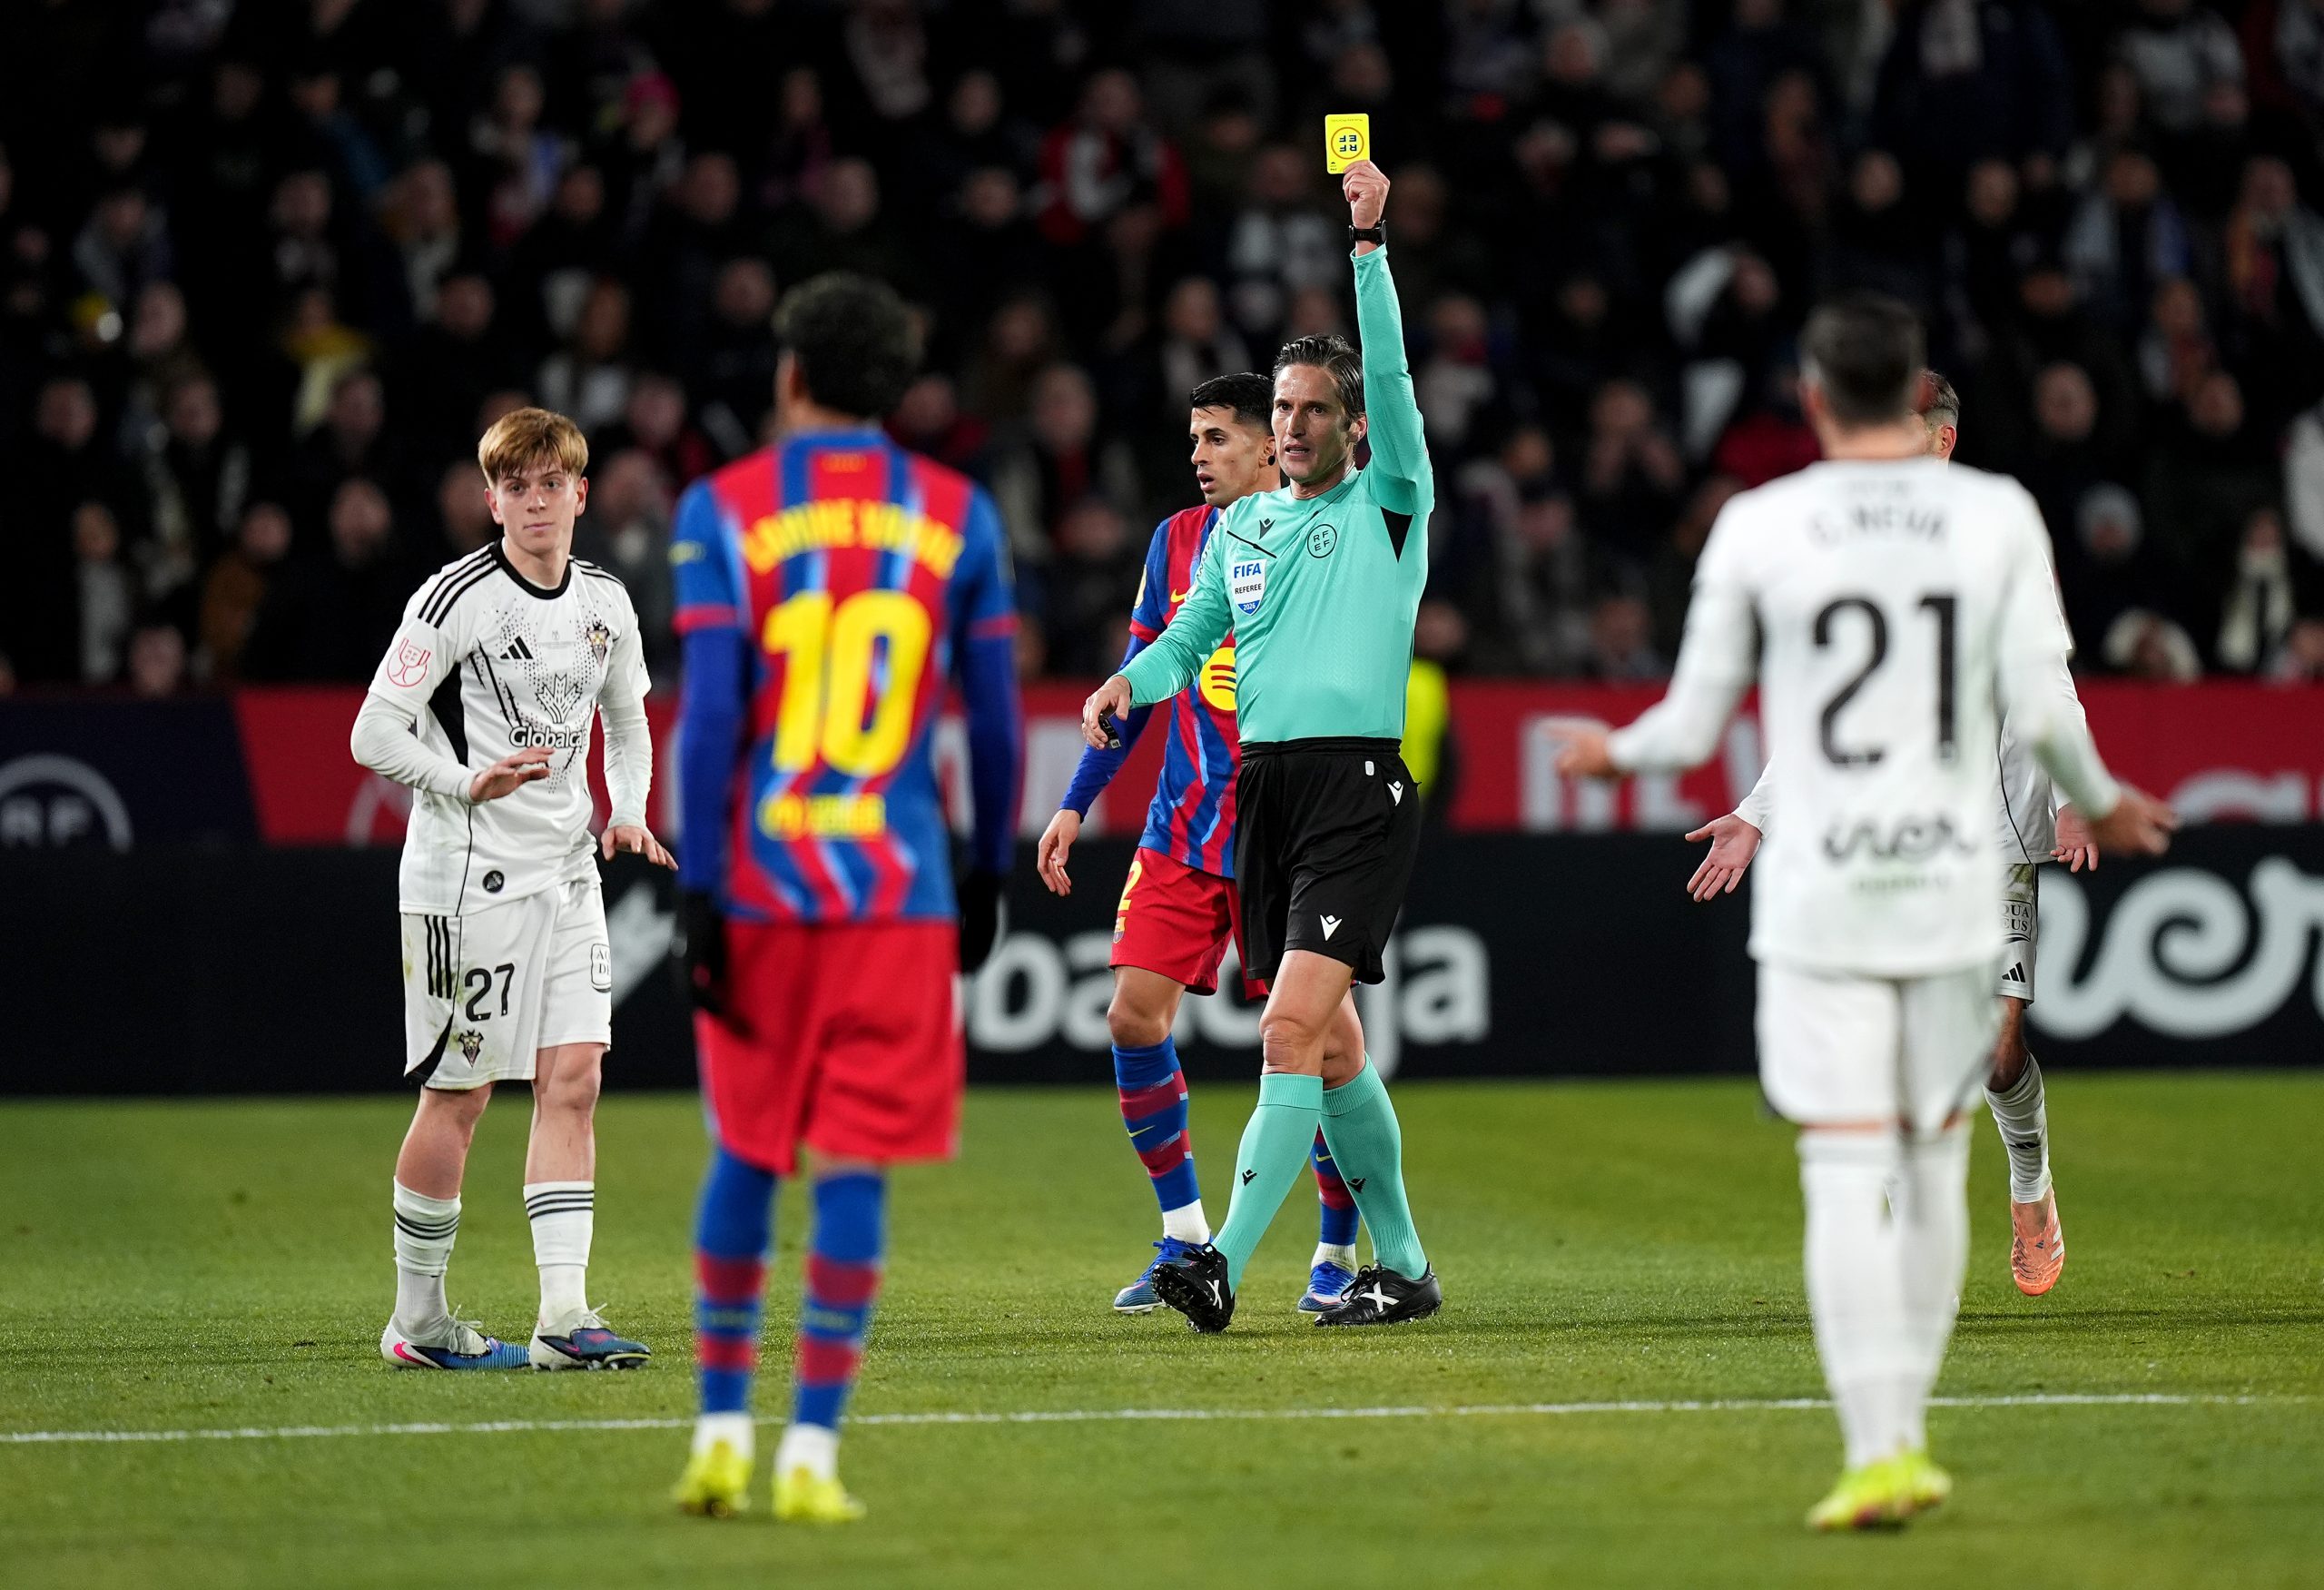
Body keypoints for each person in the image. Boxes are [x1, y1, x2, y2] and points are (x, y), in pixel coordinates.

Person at [1555, 295, 2174, 1529]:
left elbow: (1690, 719)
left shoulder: (1761, 523)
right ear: (1917, 397)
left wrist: (1616, 755)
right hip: (1947, 880)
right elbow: (2048, 698)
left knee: (1845, 1164)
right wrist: (2102, 801)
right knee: (1929, 1153)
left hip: (1827, 898)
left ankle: (1875, 1446)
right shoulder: (1999, 519)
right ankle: (1908, 1430)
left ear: (1815, 396)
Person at [668, 272, 1022, 1523]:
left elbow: (711, 713)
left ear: (791, 376)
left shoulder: (723, 507)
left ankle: (718, 1425)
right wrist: (985, 865)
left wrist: (696, 882)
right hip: (897, 890)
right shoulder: (961, 514)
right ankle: (811, 1450)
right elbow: (989, 714)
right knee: (854, 1160)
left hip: (765, 887)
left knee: (749, 1148)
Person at [1079, 159, 1438, 1331]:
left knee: (1285, 1028)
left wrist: (1368, 246)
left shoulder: (1386, 500)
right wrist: (1124, 686)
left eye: (1309, 410)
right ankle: (1404, 1264)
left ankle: (1217, 1258)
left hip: (1353, 790)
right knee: (1329, 1047)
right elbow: (1187, 641)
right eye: (1277, 411)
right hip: (1260, 795)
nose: (1287, 427)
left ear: (1353, 425)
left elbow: (1386, 366)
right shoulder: (1239, 526)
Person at [1683, 371, 2093, 1296]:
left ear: (1938, 442)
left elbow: (2047, 680)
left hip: (1986, 839)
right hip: (1881, 838)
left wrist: (2074, 793)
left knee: (1993, 1049)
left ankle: (2028, 1178)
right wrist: (1755, 813)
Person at [350, 406, 673, 1374]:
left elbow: (628, 720)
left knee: (574, 1081)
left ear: (581, 493)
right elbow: (374, 733)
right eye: (516, 487)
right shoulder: (454, 601)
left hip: (567, 871)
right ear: (491, 501)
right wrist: (463, 781)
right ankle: (419, 1320)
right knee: (462, 1093)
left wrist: (628, 808)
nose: (535, 502)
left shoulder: (607, 602)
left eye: (551, 484)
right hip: (464, 878)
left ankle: (564, 1318)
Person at [1038, 371, 1367, 1317]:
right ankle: (1184, 1237)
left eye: (1217, 438)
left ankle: (1338, 1248)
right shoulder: (1177, 541)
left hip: (1293, 835)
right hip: (1184, 829)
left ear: (1271, 446)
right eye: (1193, 438)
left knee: (1317, 1050)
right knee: (1132, 1017)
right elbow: (1141, 676)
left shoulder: (1328, 534)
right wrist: (1074, 802)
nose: (1197, 455)